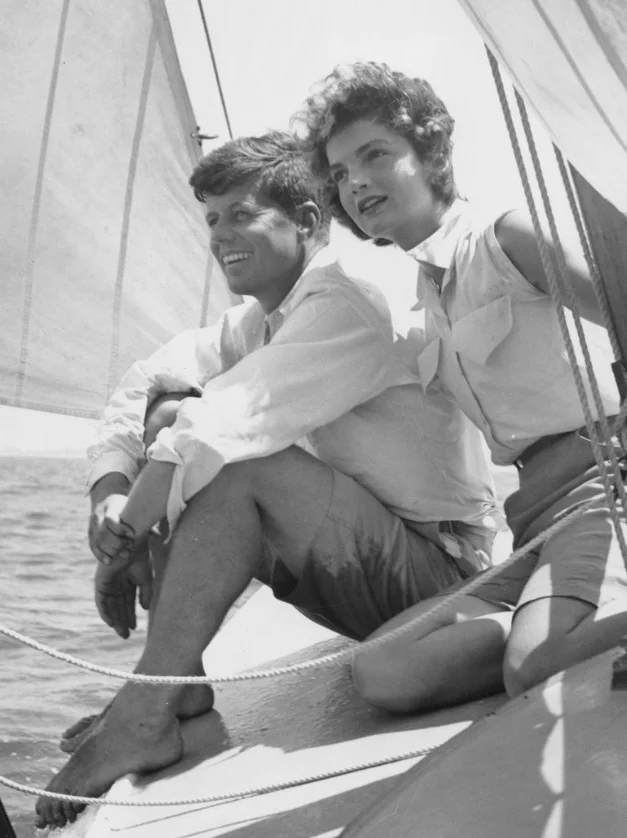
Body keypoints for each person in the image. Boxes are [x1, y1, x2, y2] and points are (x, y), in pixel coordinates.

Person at [35, 129, 499, 828]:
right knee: (167, 410)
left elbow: (225, 423)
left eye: (240, 214)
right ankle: (176, 697)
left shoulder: (350, 298)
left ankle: (143, 712)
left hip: (441, 580)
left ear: (308, 221)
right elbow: (142, 389)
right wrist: (108, 492)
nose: (220, 235)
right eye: (212, 219)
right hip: (367, 572)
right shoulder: (258, 321)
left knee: (233, 458)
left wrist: (126, 536)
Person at [297, 61, 627, 713]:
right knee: (384, 671)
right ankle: (554, 627)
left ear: (431, 152)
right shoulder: (423, 295)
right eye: (340, 172)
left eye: (375, 155)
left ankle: (579, 629)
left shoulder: (506, 238)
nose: (356, 181)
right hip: (532, 518)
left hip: (607, 489)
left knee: (534, 670)